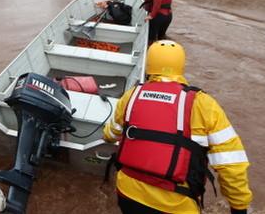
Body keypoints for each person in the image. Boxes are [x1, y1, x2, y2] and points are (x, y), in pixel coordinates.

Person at [103, 40, 253, 214]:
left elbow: (111, 134)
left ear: (149, 64)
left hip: (128, 195)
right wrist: (239, 206)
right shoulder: (203, 103)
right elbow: (231, 163)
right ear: (181, 65)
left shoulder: (131, 95)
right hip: (176, 205)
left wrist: (106, 135)